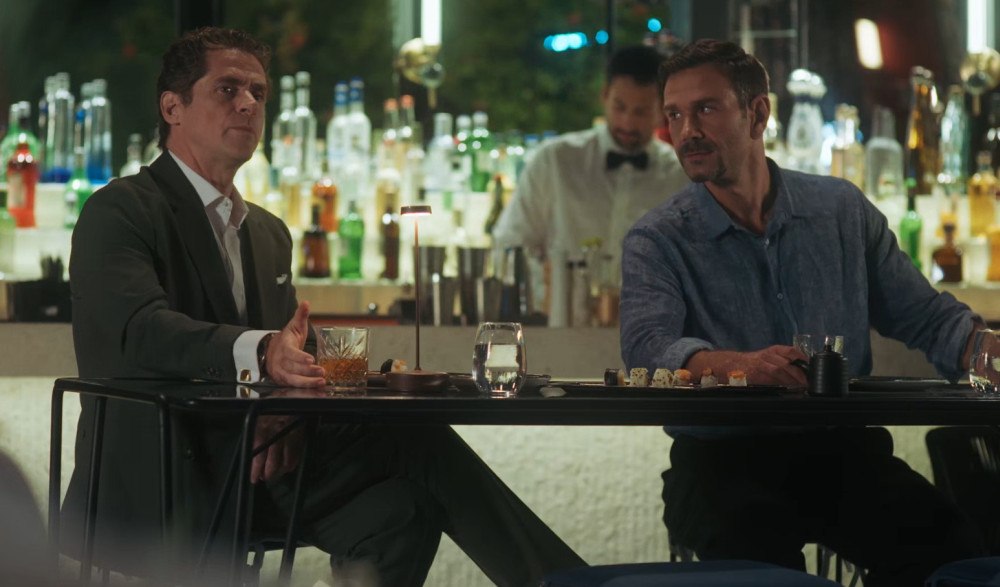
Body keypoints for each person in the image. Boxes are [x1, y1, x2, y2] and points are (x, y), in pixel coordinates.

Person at [65, 26, 584, 586]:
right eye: (228, 89)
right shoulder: (121, 209)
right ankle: (568, 583)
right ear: (173, 107)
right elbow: (139, 331)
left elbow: (295, 351)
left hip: (261, 463)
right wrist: (264, 354)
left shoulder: (268, 233)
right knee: (419, 440)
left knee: (401, 513)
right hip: (163, 472)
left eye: (259, 93)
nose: (248, 104)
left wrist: (289, 405)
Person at [619, 39, 986, 585]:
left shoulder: (840, 210)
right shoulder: (658, 238)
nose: (686, 130)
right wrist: (739, 367)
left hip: (843, 454)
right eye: (674, 114)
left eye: (706, 108)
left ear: (758, 113)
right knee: (763, 570)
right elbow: (645, 350)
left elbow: (926, 317)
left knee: (952, 553)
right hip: (721, 463)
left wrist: (985, 351)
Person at [493, 44, 688, 284]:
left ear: (662, 109)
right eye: (619, 107)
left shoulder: (680, 178)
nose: (627, 122)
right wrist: (549, 289)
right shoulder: (554, 161)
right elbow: (510, 244)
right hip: (558, 307)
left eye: (641, 112)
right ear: (604, 96)